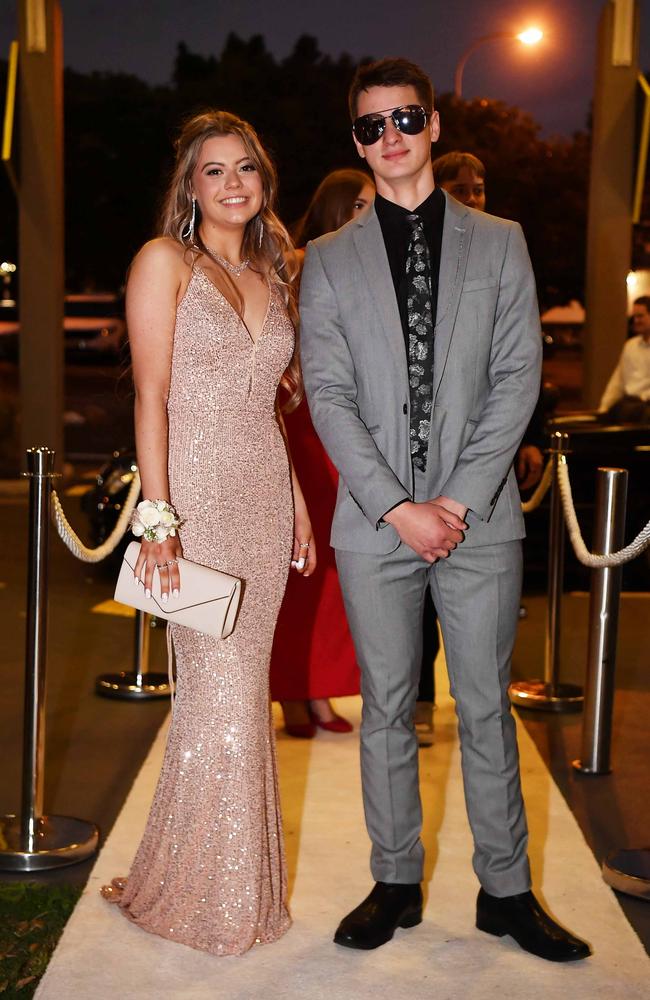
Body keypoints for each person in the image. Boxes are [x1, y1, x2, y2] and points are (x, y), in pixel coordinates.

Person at [300, 57, 590, 962]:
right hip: (377, 523)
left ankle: (506, 893)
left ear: (434, 125)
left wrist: (455, 500)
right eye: (369, 125)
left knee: (483, 708)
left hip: (482, 518)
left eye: (404, 118)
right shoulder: (327, 260)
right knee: (385, 707)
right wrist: (398, 507)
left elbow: (518, 379)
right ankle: (395, 882)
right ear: (356, 139)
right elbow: (329, 395)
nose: (389, 137)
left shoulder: (499, 241)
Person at [101, 110, 316, 957]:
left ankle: (205, 879)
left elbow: (270, 411)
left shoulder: (274, 271)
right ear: (189, 186)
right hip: (191, 496)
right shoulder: (163, 262)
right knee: (221, 695)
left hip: (263, 496)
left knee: (233, 697)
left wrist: (296, 501)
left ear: (263, 183)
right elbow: (150, 394)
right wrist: (158, 520)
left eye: (246, 170)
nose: (233, 184)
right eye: (214, 171)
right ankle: (212, 898)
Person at [271, 169, 373, 738]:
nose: (367, 213)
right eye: (358, 203)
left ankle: (319, 690)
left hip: (343, 430)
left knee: (337, 571)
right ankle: (289, 690)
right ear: (335, 206)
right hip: (299, 423)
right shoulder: (299, 261)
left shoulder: (367, 267)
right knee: (300, 567)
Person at [598, 294, 650, 423]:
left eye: (640, 316)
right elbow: (618, 380)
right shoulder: (630, 346)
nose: (636, 321)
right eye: (634, 316)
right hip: (629, 404)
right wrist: (604, 408)